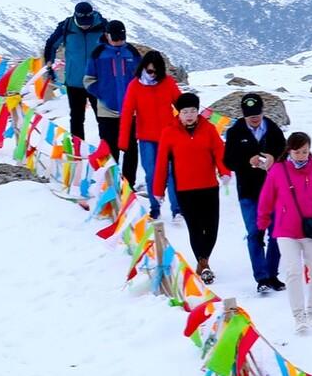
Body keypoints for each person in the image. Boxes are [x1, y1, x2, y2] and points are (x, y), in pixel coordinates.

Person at [257, 132, 312, 334]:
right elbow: (266, 199)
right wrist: (262, 225)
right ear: (289, 150)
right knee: (293, 271)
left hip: (311, 229)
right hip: (286, 229)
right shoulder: (278, 170)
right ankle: (299, 316)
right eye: (298, 151)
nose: (302, 155)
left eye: (305, 151)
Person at [153, 93, 231, 285]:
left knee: (211, 228)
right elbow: (162, 163)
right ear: (178, 113)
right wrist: (158, 189)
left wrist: (224, 171)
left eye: (193, 111)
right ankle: (203, 264)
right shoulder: (169, 132)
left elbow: (219, 152)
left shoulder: (209, 129)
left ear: (198, 112)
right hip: (185, 189)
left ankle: (203, 260)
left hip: (209, 186)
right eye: (185, 111)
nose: (189, 115)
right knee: (195, 228)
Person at [223, 94, 288, 294]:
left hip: (274, 191)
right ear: (243, 114)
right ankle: (261, 277)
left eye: (257, 114)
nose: (255, 118)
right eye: (250, 115)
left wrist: (272, 157)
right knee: (254, 234)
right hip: (249, 192)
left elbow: (285, 154)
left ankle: (272, 274)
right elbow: (228, 161)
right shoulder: (235, 132)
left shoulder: (273, 129)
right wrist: (247, 161)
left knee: (276, 233)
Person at [119, 50, 183, 222]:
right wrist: (124, 141)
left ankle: (177, 210)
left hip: (168, 136)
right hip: (146, 137)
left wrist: (181, 126)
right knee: (151, 173)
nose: (153, 75)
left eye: (156, 71)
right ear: (143, 68)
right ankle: (155, 208)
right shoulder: (134, 86)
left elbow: (182, 105)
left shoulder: (168, 82)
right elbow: (126, 113)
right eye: (150, 71)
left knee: (171, 173)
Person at [83, 20, 141, 186]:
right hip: (106, 111)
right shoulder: (98, 53)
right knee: (109, 148)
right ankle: (110, 183)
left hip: (131, 111)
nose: (118, 42)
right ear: (107, 36)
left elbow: (141, 78)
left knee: (131, 148)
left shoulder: (131, 52)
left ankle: (129, 185)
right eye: (115, 38)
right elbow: (88, 80)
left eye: (121, 38)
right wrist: (103, 95)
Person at [43, 1, 108, 141]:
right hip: (74, 81)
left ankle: (107, 153)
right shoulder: (67, 26)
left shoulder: (102, 26)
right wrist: (49, 65)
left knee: (103, 118)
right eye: (82, 22)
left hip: (97, 81)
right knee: (77, 118)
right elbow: (51, 44)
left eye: (88, 21)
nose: (85, 24)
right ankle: (78, 150)